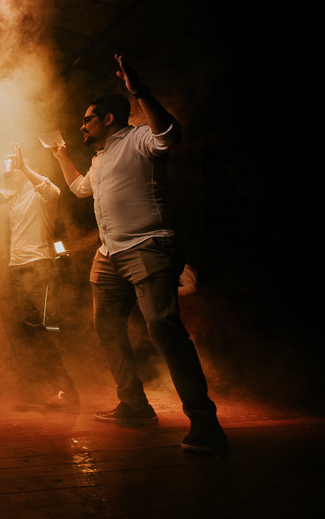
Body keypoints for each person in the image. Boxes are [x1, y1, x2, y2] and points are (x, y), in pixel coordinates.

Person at [51, 54, 226, 453]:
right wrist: (61, 154)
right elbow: (80, 189)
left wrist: (139, 93)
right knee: (107, 327)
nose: (82, 125)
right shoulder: (98, 161)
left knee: (164, 328)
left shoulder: (139, 137)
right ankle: (134, 405)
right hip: (109, 254)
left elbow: (168, 136)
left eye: (88, 119)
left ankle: (205, 423)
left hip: (148, 245)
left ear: (109, 119)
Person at [0, 144, 79, 409]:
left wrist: (24, 167)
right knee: (17, 330)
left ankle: (66, 389)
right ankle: (35, 389)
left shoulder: (42, 194)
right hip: (16, 268)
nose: (14, 170)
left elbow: (54, 190)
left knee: (42, 329)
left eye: (21, 166)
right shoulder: (13, 196)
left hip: (39, 266)